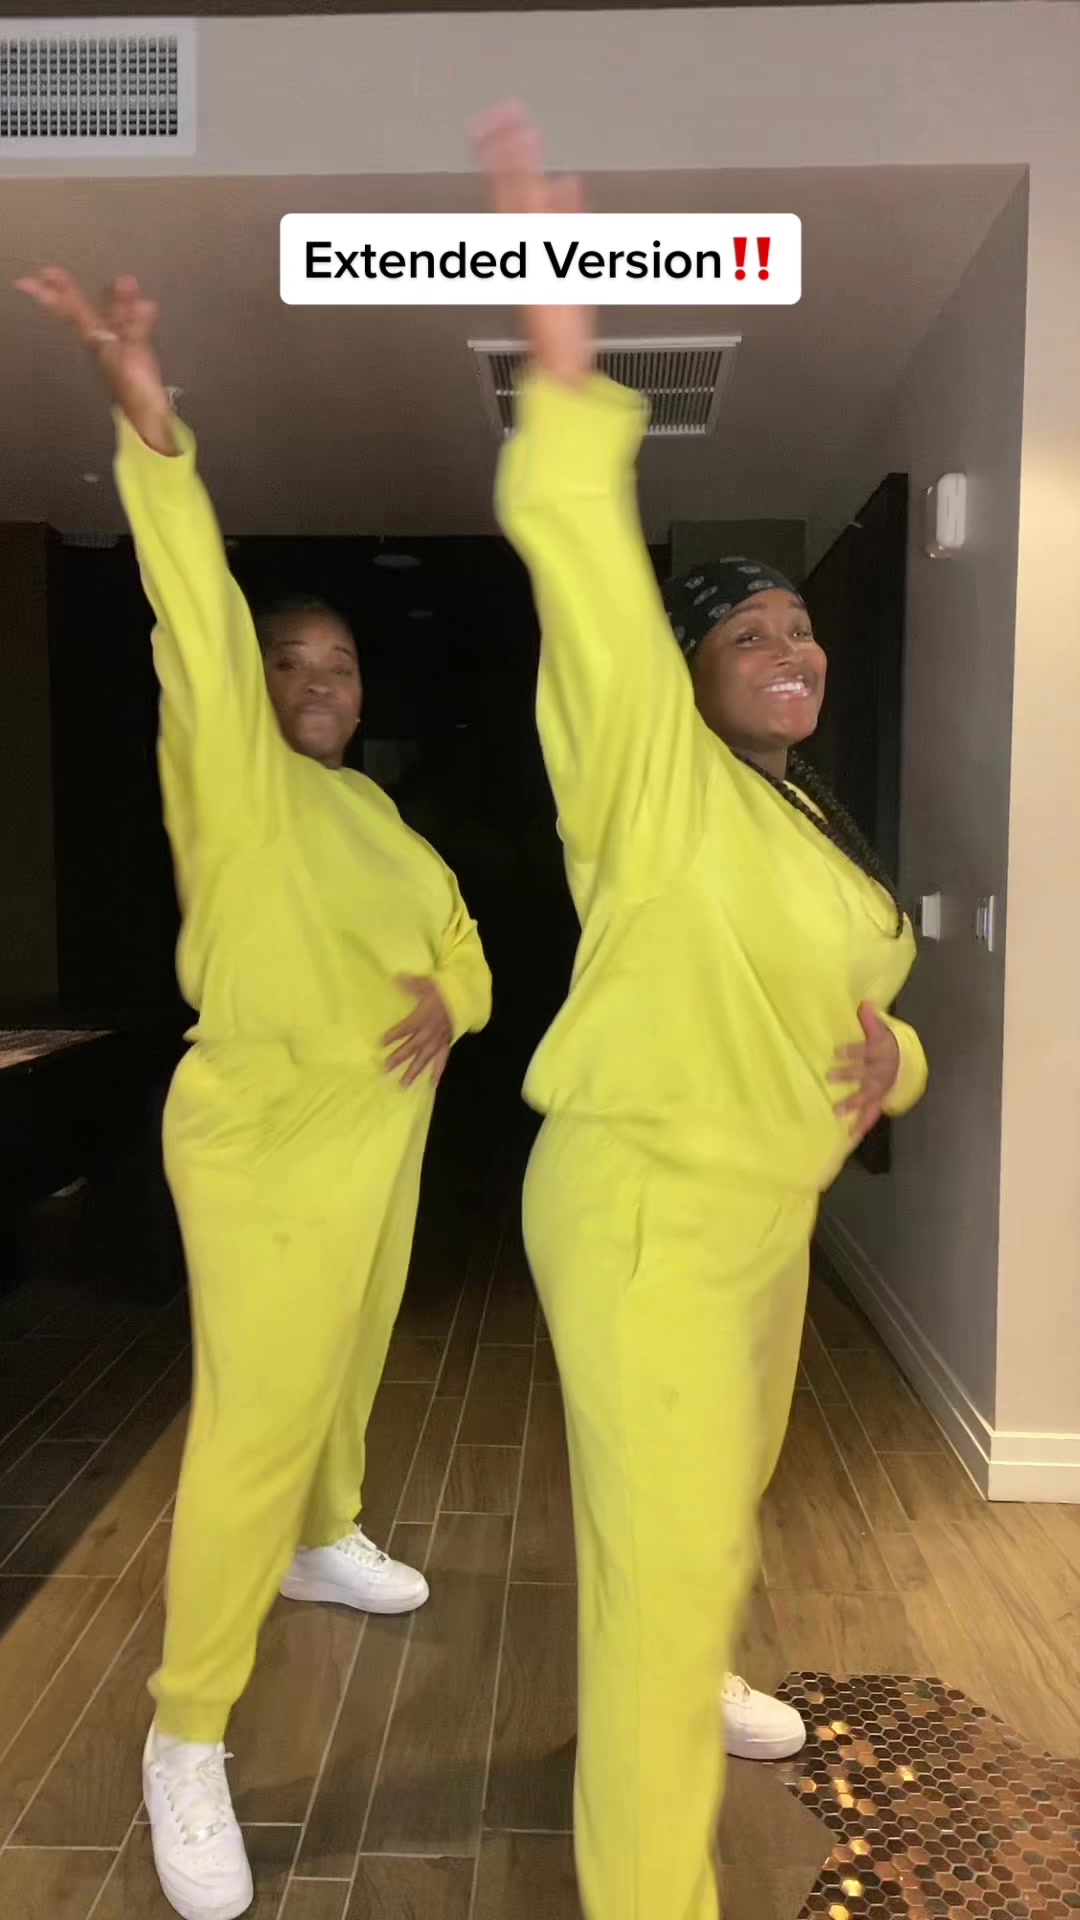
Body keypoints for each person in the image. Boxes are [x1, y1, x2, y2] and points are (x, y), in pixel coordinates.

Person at [474, 107, 927, 1920]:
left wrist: (900, 1056)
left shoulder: (812, 823)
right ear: (683, 676)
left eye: (804, 630)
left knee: (711, 1509)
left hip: (764, 1222)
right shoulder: (648, 777)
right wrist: (558, 345)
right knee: (661, 1571)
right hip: (647, 1207)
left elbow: (875, 996)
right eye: (753, 634)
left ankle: (692, 1664)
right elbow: (585, 568)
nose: (793, 649)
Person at [17, 269, 492, 1920]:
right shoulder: (234, 773)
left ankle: (325, 1535)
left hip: (384, 1132)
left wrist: (455, 998)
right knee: (255, 1415)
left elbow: (465, 946)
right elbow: (194, 614)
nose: (317, 675)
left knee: (349, 1359)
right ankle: (186, 1733)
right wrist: (148, 411)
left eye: (342, 661)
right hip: (268, 1129)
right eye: (292, 655)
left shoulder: (388, 822)